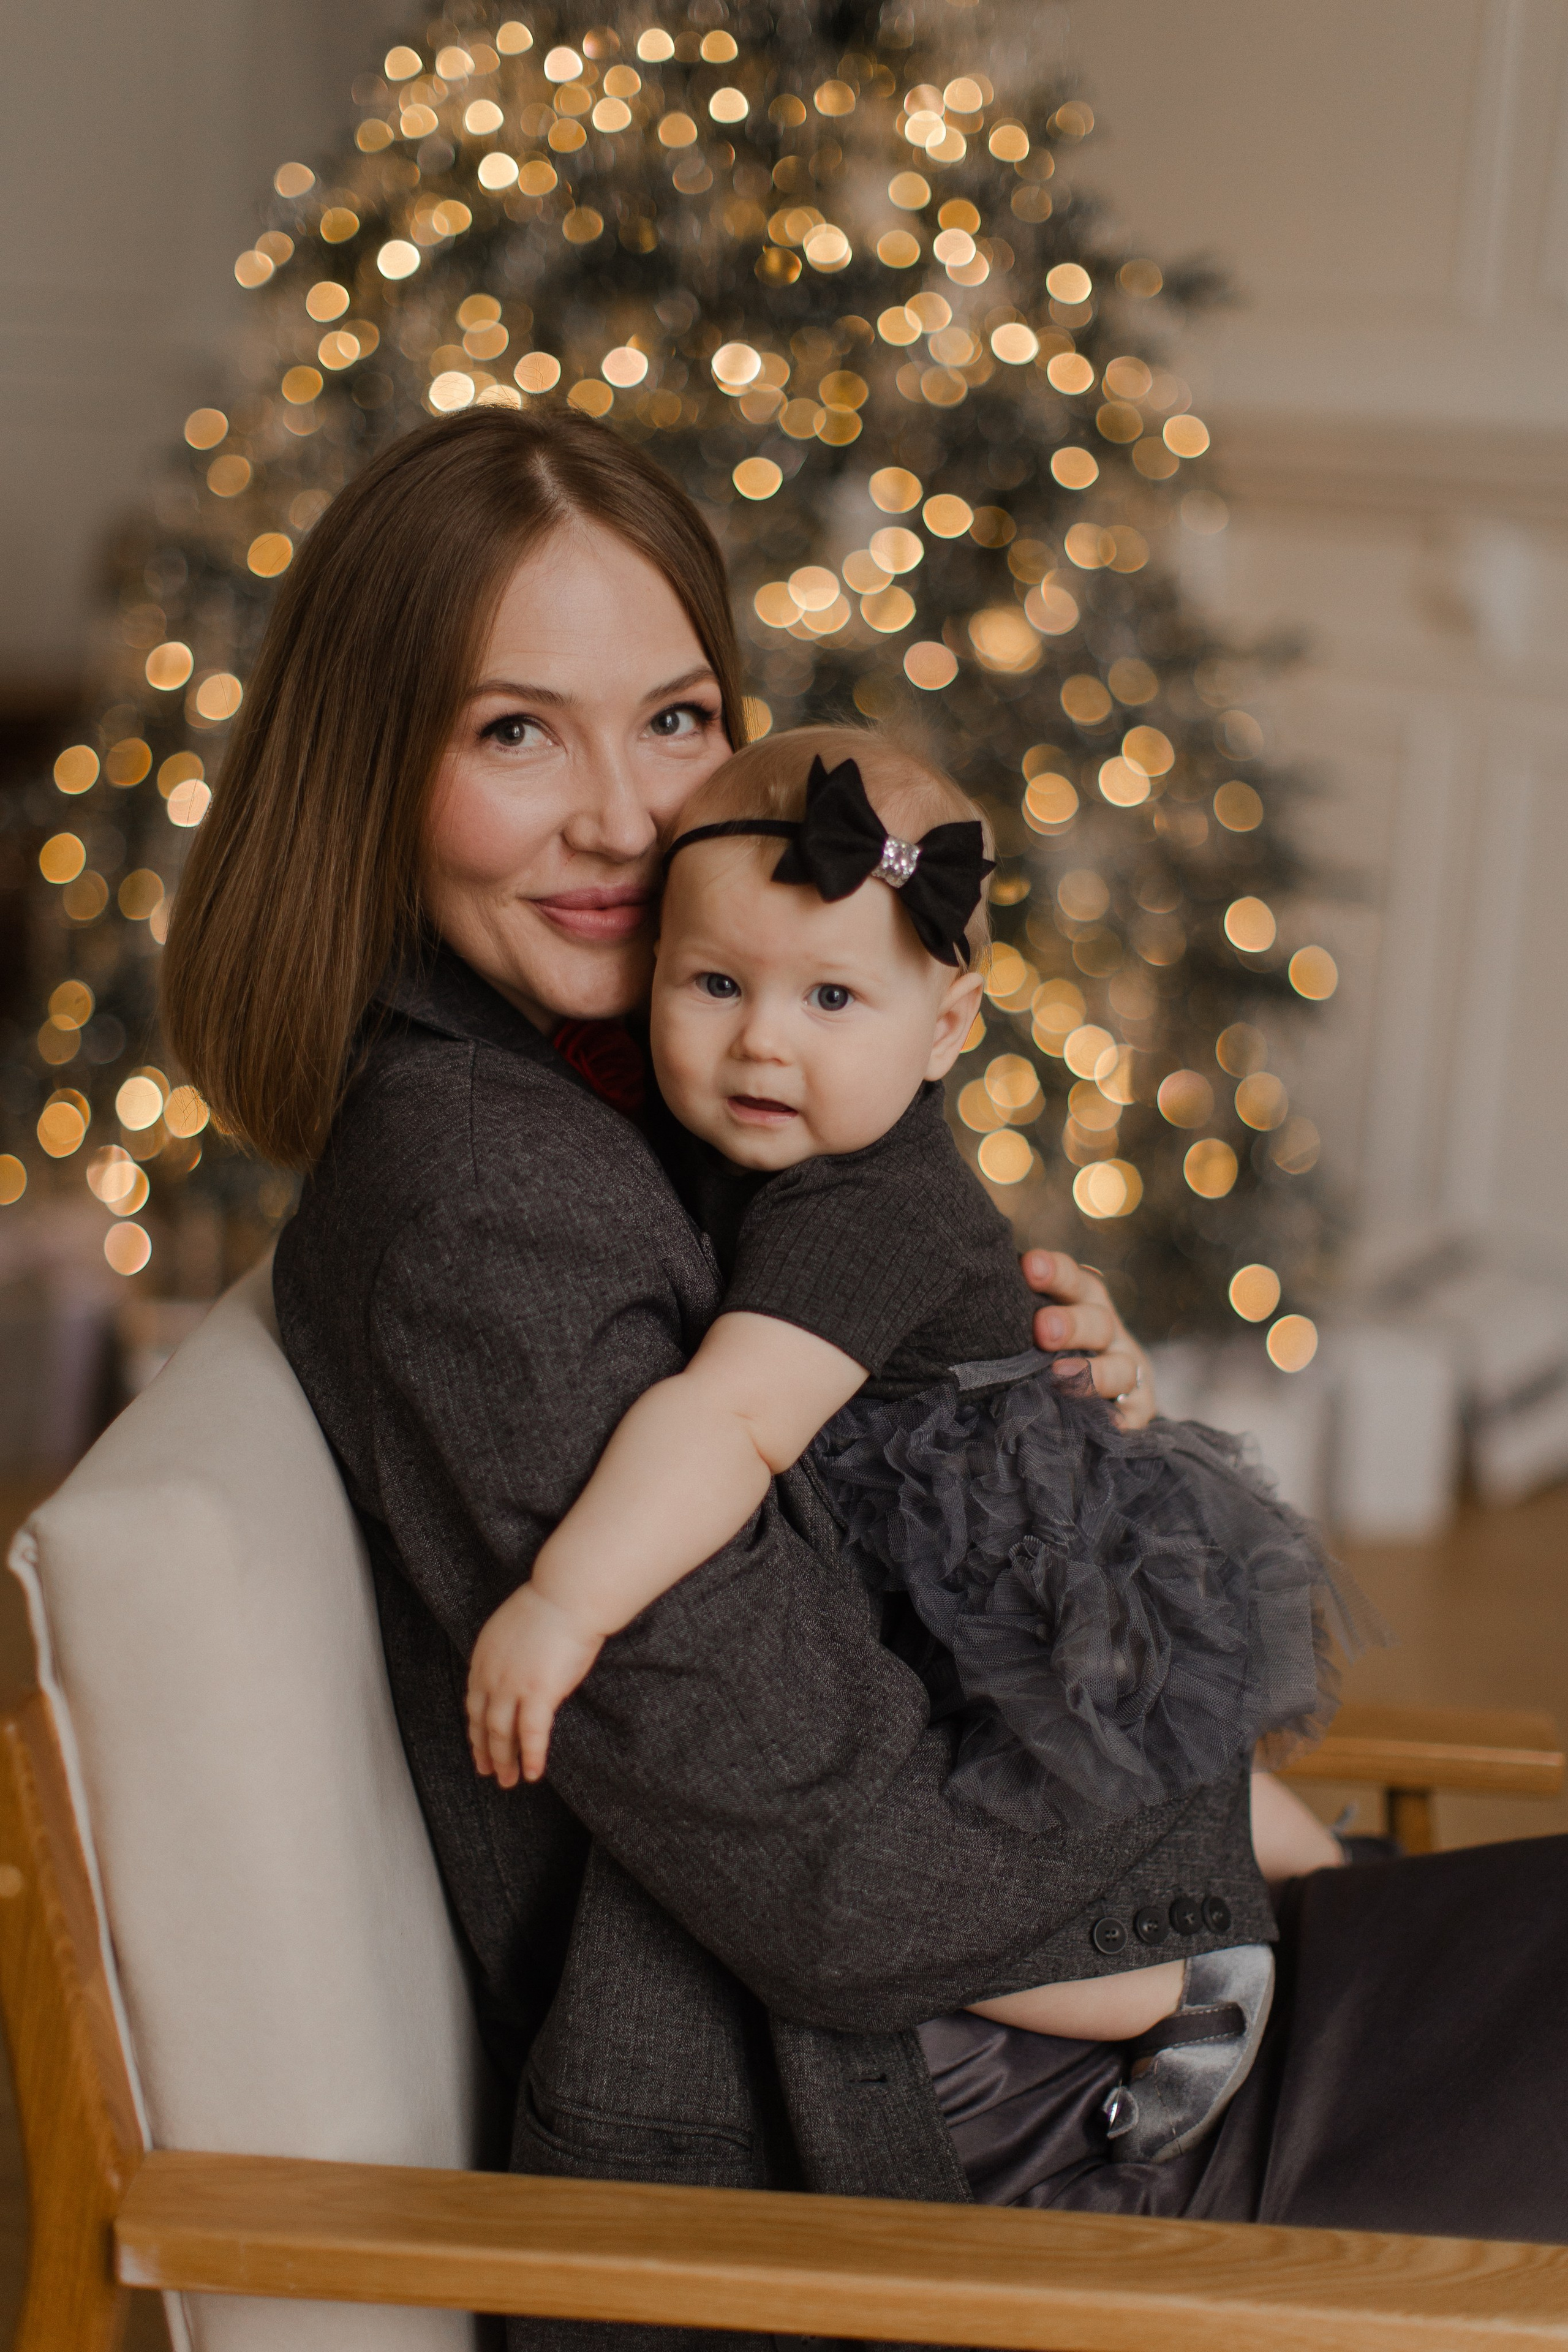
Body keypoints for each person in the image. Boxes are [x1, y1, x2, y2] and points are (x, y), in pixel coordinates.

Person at [160, 412, 1567, 2344]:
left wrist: (1015, 1393)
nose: (626, 818)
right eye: (514, 732)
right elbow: (843, 1874)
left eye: (671, 722)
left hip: (1013, 2017)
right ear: (369, 770)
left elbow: (848, 1477)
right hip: (920, 2137)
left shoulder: (645, 1099)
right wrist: (1211, 1821)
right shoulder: (481, 1210)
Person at [463, 723, 1363, 2163]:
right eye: (712, 984)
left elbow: (731, 1418)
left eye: (831, 995)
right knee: (1134, 1772)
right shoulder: (757, 1133)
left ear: (944, 1029)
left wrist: (566, 1599)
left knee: (922, 1895)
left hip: (987, 1547)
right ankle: (1330, 1891)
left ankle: (1183, 1981)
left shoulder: (860, 1203)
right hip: (972, 1513)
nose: (761, 1039)